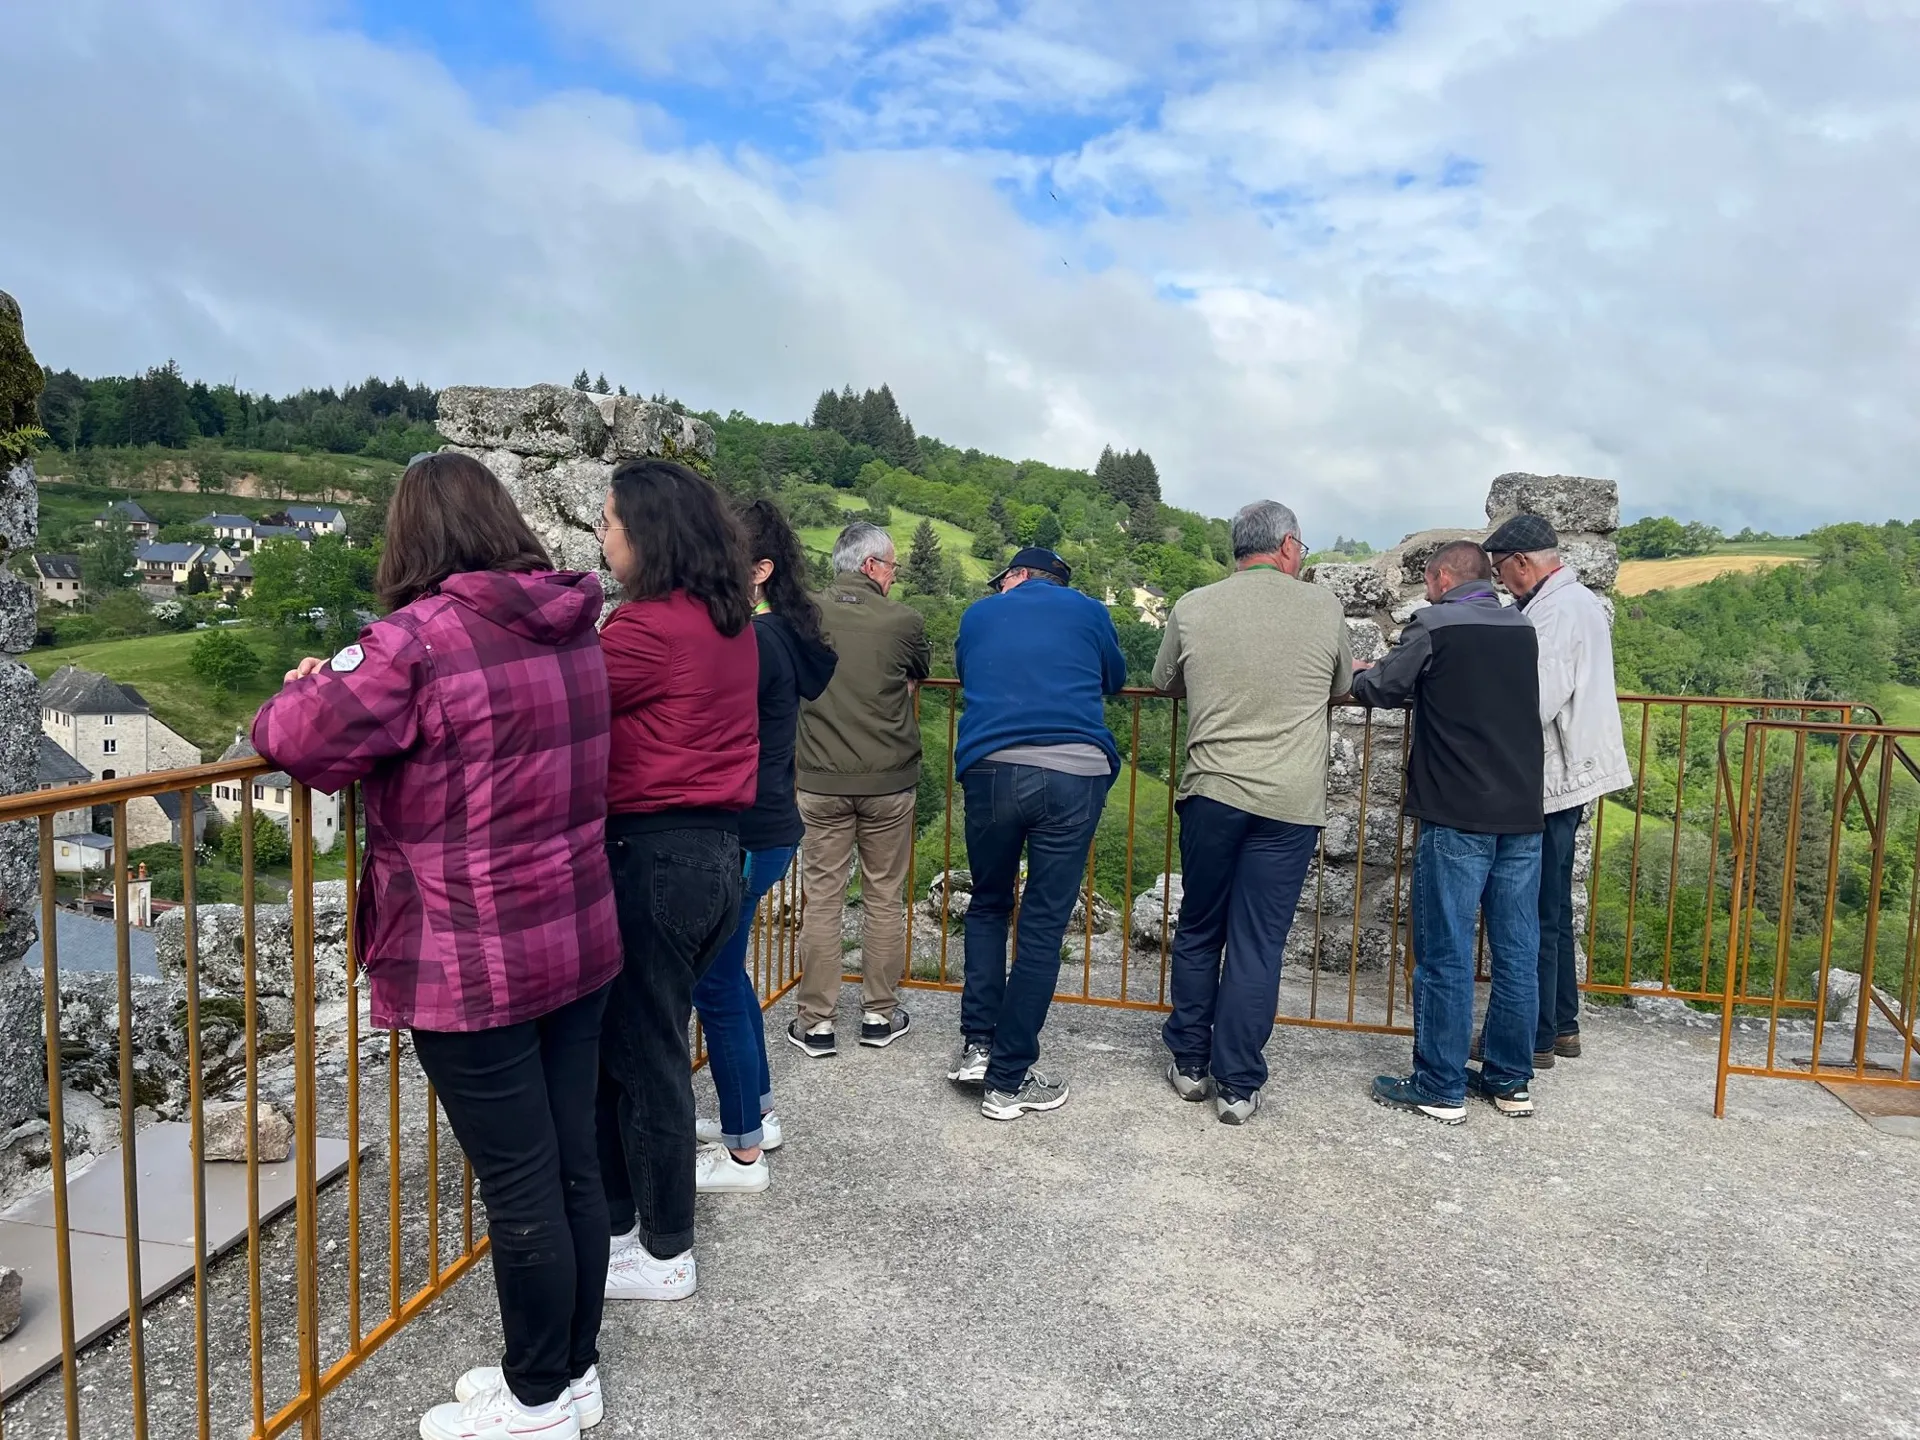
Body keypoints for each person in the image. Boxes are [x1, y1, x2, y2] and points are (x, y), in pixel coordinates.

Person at [253, 453, 619, 1440]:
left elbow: (292, 736)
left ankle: (538, 1396)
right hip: (577, 929)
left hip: (468, 949)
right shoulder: (576, 623)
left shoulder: (416, 642)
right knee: (573, 1160)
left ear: (410, 537)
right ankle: (571, 1372)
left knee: (519, 1176)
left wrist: (306, 681)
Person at [594, 459, 758, 1302]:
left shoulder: (644, 630)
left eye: (610, 521)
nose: (601, 534)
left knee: (641, 1057)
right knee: (649, 1046)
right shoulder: (725, 621)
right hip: (712, 856)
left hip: (650, 853)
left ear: (647, 533)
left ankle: (662, 1250)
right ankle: (637, 1228)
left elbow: (557, 702)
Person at [1151, 501, 1351, 1125]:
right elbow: (1342, 686)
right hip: (1290, 801)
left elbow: (1164, 681)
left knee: (1201, 927)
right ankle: (1237, 1085)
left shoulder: (1193, 605)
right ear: (1288, 546)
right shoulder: (1323, 607)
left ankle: (1189, 1062)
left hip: (1211, 791)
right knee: (1257, 944)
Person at [1348, 540, 1544, 1124]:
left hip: (1458, 809)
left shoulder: (1435, 624)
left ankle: (1439, 1084)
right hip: (1521, 811)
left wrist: (1363, 674)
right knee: (1516, 952)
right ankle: (1510, 1081)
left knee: (1446, 950)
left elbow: (1384, 689)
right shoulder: (1520, 627)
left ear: (1438, 577)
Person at [946, 546, 1126, 1120]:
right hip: (1074, 772)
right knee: (1044, 925)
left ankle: (978, 1046)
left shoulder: (977, 615)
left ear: (1019, 577)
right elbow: (1115, 680)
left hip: (992, 769)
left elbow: (973, 673)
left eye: (1003, 579)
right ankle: (1008, 1079)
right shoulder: (1091, 611)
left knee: (989, 903)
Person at [689, 500, 837, 1190]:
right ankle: (759, 1114)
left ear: (760, 570)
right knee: (728, 975)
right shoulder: (781, 636)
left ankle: (745, 1148)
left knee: (715, 982)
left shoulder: (756, 643)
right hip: (770, 829)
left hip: (746, 833)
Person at [1485, 514, 1632, 1067]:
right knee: (1551, 906)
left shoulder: (1556, 613)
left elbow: (1537, 699)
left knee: (1533, 908)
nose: (1504, 583)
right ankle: (1562, 1024)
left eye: (1503, 572)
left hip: (1553, 774)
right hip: (1570, 772)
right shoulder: (1573, 603)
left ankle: (1535, 1035)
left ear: (1523, 563)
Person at [790, 521, 931, 1058]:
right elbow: (920, 670)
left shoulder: (803, 614)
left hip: (820, 779)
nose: (894, 577)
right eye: (892, 567)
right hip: (889, 781)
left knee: (822, 898)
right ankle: (879, 1013)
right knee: (884, 897)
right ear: (872, 566)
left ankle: (816, 1022)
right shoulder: (903, 621)